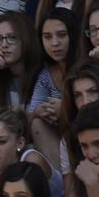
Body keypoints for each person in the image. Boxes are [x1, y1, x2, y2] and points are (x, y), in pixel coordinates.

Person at [29, 9, 79, 171]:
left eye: (62, 35)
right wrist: (39, 111)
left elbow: (98, 112)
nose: (55, 43)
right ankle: (63, 184)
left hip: (86, 135)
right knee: (37, 122)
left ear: (73, 35)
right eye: (47, 37)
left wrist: (66, 109)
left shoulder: (86, 67)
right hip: (59, 138)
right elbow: (29, 114)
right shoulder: (45, 73)